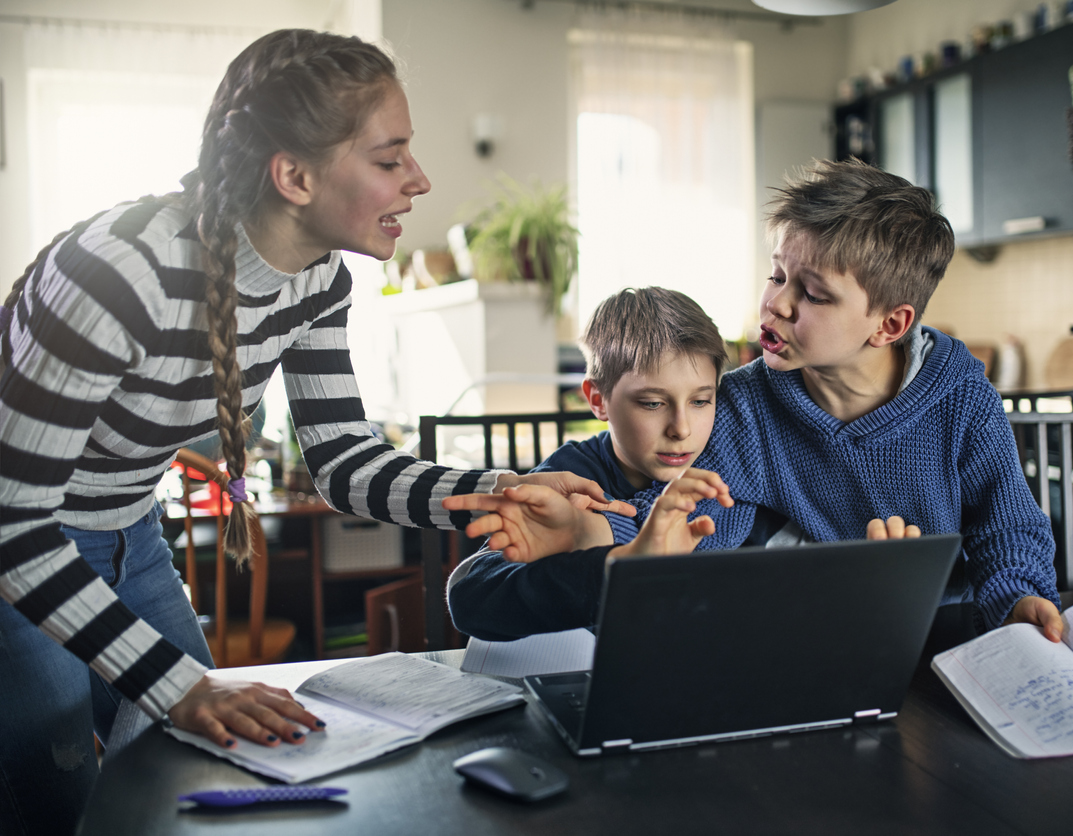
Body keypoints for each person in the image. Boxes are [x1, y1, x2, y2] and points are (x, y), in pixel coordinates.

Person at [0, 29, 626, 836]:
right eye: (390, 157)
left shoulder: (318, 280)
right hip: (24, 548)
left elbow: (341, 460)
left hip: (130, 532)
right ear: (293, 175)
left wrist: (491, 491)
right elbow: (15, 524)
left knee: (180, 772)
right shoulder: (120, 273)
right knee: (58, 795)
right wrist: (184, 686)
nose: (421, 180)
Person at [448, 159, 1062, 644]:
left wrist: (1018, 601)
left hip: (951, 638)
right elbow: (694, 520)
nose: (778, 305)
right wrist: (590, 529)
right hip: (840, 641)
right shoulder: (744, 405)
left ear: (890, 324)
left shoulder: (959, 394)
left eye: (814, 295)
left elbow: (1005, 522)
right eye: (777, 276)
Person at [444, 286, 916, 640]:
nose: (682, 429)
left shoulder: (732, 469)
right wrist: (619, 564)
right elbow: (473, 596)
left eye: (701, 401)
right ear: (598, 399)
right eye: (652, 404)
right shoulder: (572, 481)